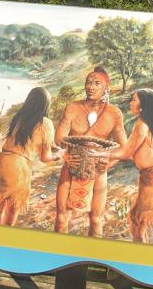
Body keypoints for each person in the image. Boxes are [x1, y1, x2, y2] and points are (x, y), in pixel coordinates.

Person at [53, 66, 127, 237]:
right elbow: (59, 139)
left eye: (96, 83)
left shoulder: (114, 113)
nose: (90, 87)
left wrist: (107, 164)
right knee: (62, 216)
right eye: (88, 82)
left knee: (95, 219)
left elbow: (125, 148)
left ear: (106, 88)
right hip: (71, 168)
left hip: (98, 173)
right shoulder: (72, 107)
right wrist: (65, 156)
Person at [113, 88, 153, 243]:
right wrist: (105, 163)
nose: (130, 103)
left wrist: (99, 155)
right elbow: (128, 152)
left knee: (138, 224)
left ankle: (140, 256)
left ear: (143, 105)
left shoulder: (141, 126)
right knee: (136, 224)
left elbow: (126, 153)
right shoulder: (145, 124)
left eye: (134, 100)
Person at [0, 88, 57, 226]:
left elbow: (29, 141)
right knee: (11, 211)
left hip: (2, 162)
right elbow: (45, 157)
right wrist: (60, 155)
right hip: (19, 167)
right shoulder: (46, 124)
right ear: (45, 105)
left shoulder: (19, 118)